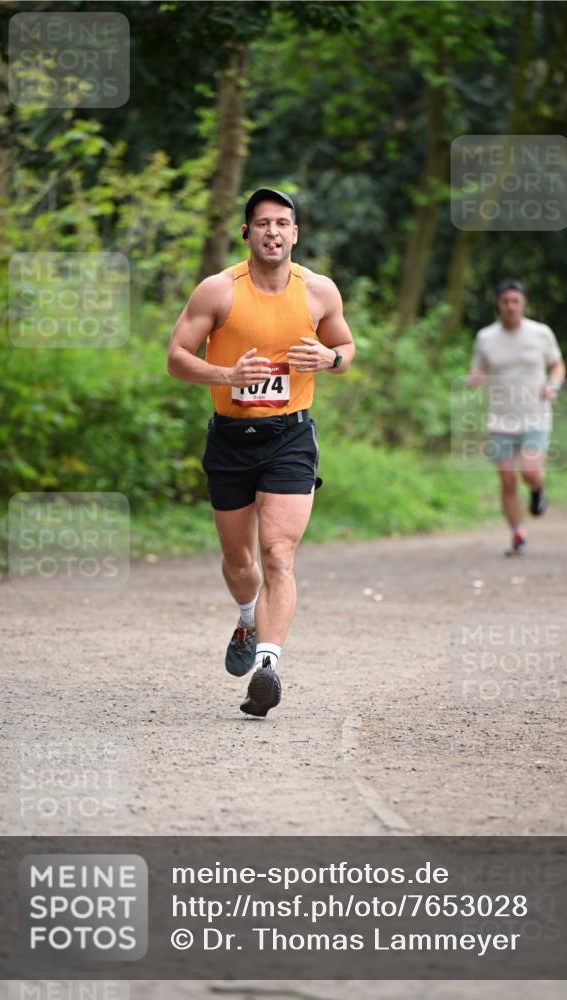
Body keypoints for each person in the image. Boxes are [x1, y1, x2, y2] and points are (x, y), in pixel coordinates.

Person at [167, 188, 355, 716]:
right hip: (230, 437)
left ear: (295, 233)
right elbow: (176, 358)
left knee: (278, 554)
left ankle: (267, 668)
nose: (273, 231)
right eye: (262, 223)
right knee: (238, 559)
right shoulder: (218, 291)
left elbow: (345, 347)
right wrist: (227, 374)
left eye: (283, 223)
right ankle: (248, 619)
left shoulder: (318, 292)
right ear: (246, 233)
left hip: (290, 436)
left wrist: (329, 358)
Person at [466, 278, 566, 556]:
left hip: (534, 415)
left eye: (515, 301)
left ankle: (537, 490)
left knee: (530, 472)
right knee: (508, 480)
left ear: (523, 304)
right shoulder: (486, 337)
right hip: (499, 419)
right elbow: (479, 369)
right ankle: (517, 534)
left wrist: (553, 386)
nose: (510, 307)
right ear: (498, 305)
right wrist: (475, 379)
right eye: (505, 302)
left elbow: (557, 365)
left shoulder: (541, 333)